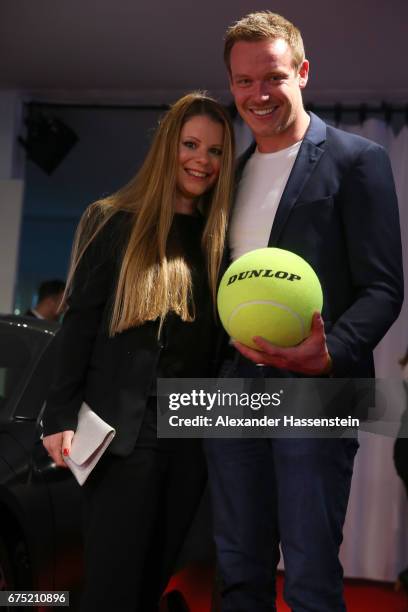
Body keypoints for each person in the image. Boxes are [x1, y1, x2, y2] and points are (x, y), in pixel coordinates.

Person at [204, 11, 404, 612]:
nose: (257, 94)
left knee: (312, 572)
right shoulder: (226, 177)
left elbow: (384, 287)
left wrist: (332, 354)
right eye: (243, 82)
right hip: (232, 388)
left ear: (303, 72)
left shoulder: (357, 159)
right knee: (238, 567)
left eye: (271, 77)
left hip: (320, 388)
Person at [42, 92, 235, 612]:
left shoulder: (219, 241)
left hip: (190, 437)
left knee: (152, 584)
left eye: (216, 151)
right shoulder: (110, 221)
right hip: (120, 438)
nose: (202, 160)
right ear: (168, 146)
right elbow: (77, 327)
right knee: (112, 588)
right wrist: (57, 416)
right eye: (191, 144)